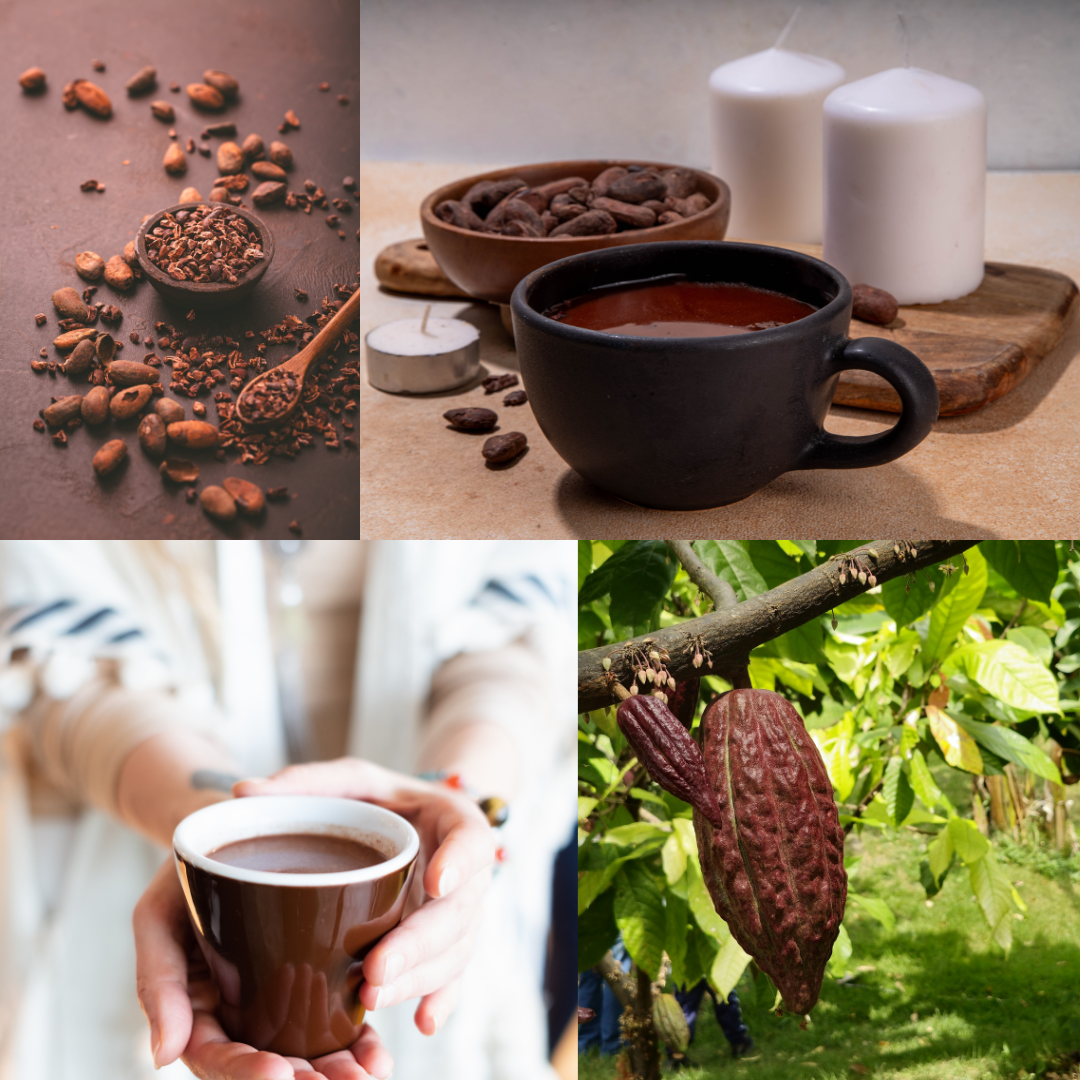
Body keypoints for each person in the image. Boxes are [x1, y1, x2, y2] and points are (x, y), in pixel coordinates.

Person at [0, 540, 575, 1080]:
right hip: (111, 869)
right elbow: (61, 660)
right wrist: (210, 821)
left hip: (447, 926)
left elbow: (520, 632)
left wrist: (461, 800)